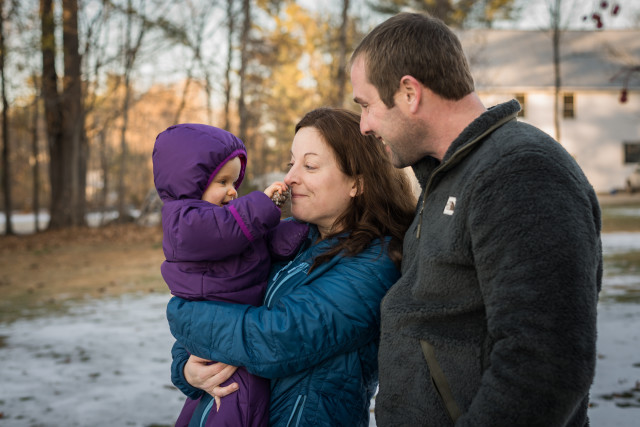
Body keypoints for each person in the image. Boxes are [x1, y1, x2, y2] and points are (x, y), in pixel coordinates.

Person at [349, 12, 602, 426]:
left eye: (366, 105)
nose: (363, 126)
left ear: (409, 93)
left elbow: (545, 363)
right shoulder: (448, 176)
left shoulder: (519, 171)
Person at [166, 108, 417, 426]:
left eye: (309, 166)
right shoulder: (286, 238)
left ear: (357, 183)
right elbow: (222, 296)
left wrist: (182, 314)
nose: (290, 178)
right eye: (291, 163)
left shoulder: (375, 264)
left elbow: (274, 338)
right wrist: (186, 368)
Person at [152, 123, 309, 427]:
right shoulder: (184, 222)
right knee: (233, 401)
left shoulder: (228, 224)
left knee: (239, 402)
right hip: (219, 328)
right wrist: (263, 203)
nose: (232, 190)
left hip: (230, 327)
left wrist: (303, 229)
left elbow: (260, 241)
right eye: (222, 181)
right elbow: (229, 228)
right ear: (190, 183)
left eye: (235, 181)